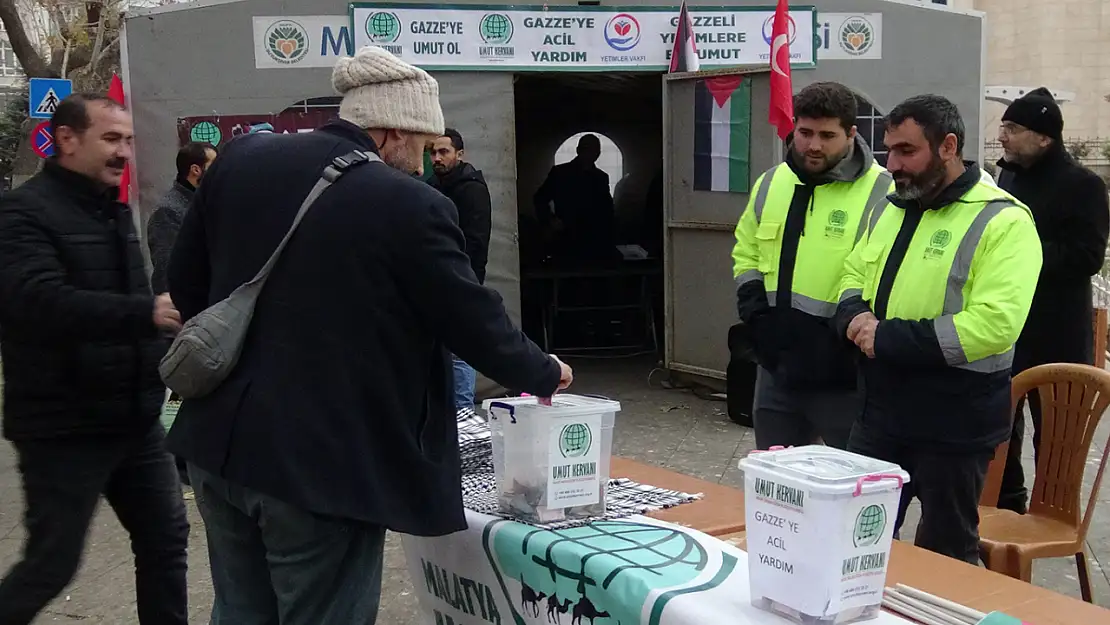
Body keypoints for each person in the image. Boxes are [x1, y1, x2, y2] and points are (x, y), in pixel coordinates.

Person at [166, 46, 573, 624]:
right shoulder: (409, 204)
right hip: (322, 469)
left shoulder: (240, 161)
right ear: (389, 133)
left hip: (218, 448)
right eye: (421, 146)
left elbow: (185, 288)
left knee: (240, 610)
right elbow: (469, 317)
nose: (424, 163)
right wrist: (542, 371)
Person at [0, 94, 189, 624]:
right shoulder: (22, 212)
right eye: (111, 138)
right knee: (52, 564)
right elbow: (37, 301)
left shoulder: (111, 210)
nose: (124, 151)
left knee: (166, 541)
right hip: (63, 425)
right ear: (66, 140)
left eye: (128, 139)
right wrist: (145, 314)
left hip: (134, 419)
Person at [835, 94, 1042, 563]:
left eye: (907, 151)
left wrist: (886, 336)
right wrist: (853, 317)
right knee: (852, 544)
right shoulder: (894, 206)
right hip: (880, 413)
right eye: (889, 150)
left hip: (954, 422)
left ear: (948, 146)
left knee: (946, 557)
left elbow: (995, 325)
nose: (893, 164)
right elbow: (853, 271)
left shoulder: (1004, 219)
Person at [731, 82, 892, 450]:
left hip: (841, 372)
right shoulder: (772, 182)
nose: (813, 145)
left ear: (852, 134)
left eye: (827, 135)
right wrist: (755, 310)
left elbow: (885, 274)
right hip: (776, 367)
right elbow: (747, 248)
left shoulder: (883, 192)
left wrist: (847, 335)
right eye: (804, 133)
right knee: (776, 485)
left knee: (846, 485)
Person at [993, 88, 1110, 514]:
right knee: (1002, 427)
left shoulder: (1083, 185)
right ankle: (1005, 507)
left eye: (1013, 128)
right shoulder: (1008, 178)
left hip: (1058, 330)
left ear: (1045, 137)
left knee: (1057, 435)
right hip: (1009, 324)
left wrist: (1020, 252)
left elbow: (1087, 256)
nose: (1002, 136)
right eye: (1003, 126)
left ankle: (1052, 515)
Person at [429, 128, 492, 411]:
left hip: (462, 280)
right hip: (434, 280)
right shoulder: (432, 185)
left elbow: (476, 243)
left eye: (444, 152)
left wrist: (467, 283)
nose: (437, 158)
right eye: (433, 152)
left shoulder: (472, 189)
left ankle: (463, 413)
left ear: (459, 154)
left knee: (459, 351)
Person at [148, 141, 217, 295]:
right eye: (214, 165)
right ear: (196, 170)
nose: (219, 171)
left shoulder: (205, 203)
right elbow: (166, 271)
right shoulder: (168, 211)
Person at [533, 134, 616, 261]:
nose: (592, 153)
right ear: (578, 150)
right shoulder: (560, 173)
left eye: (595, 149)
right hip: (567, 237)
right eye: (588, 148)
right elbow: (540, 198)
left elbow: (607, 208)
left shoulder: (601, 177)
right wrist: (550, 220)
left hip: (594, 239)